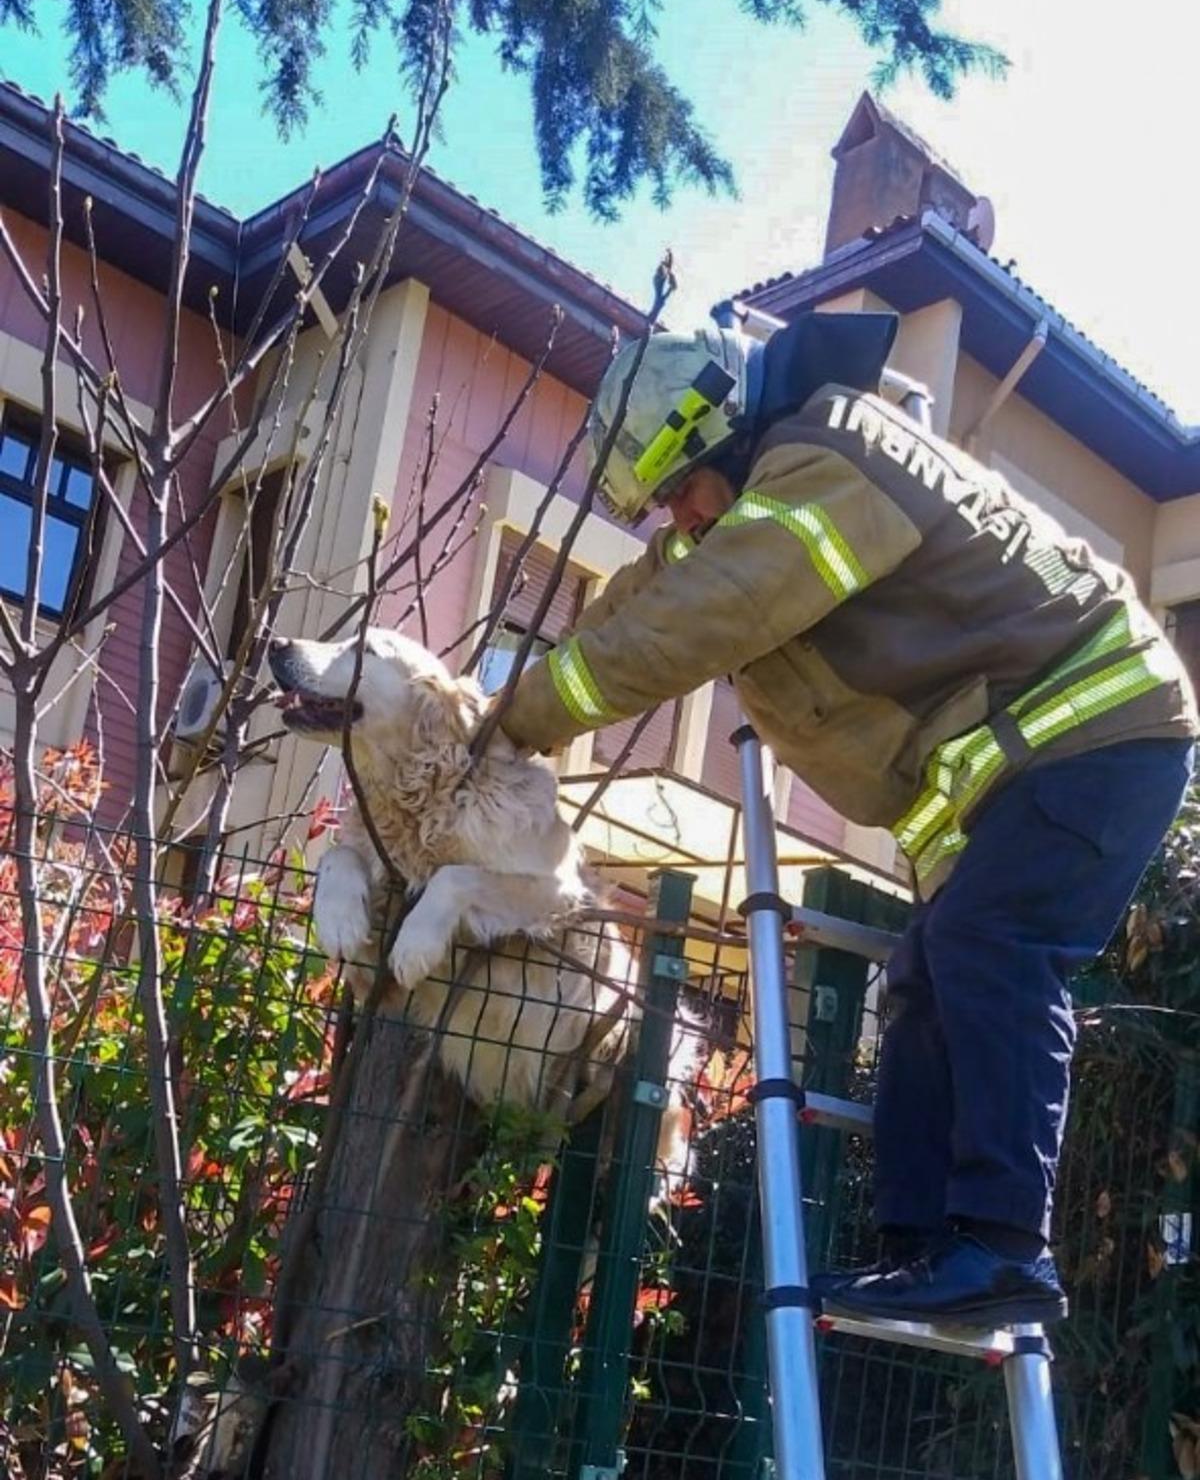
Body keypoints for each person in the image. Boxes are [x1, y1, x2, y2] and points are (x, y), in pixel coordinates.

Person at [498, 312, 1196, 1326]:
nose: (681, 519)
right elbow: (659, 590)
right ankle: (922, 1248)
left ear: (726, 435)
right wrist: (490, 709)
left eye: (682, 490)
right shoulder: (759, 488)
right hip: (1035, 761)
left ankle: (1004, 1248)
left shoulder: (827, 458)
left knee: (991, 945)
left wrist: (523, 714)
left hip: (1104, 734)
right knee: (924, 976)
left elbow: (707, 611)